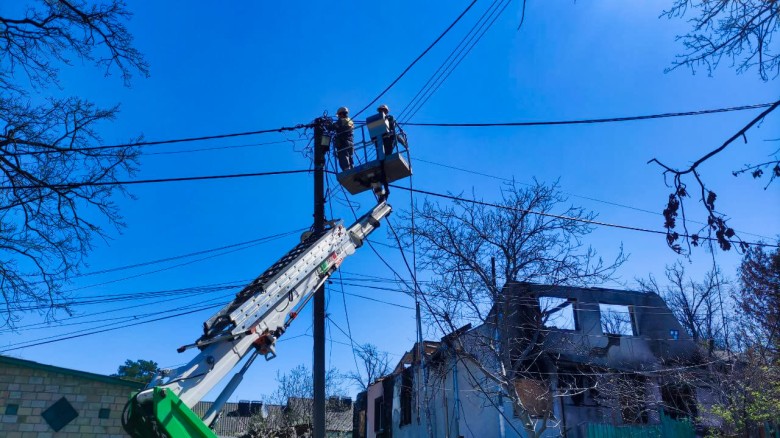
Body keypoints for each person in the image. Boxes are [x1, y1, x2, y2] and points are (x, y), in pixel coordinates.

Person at [333, 106, 354, 171]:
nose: (338, 117)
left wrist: (327, 125)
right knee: (350, 156)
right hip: (350, 142)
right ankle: (352, 169)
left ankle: (347, 170)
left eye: (339, 115)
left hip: (343, 142)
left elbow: (332, 127)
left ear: (341, 114)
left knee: (343, 156)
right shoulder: (350, 121)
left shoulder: (342, 121)